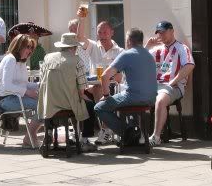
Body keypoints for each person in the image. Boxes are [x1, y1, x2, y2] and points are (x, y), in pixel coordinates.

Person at [37, 33, 97, 152]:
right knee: (90, 105)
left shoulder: (48, 57)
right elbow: (81, 91)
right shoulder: (77, 61)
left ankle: (48, 132)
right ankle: (84, 140)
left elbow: (41, 82)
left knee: (54, 100)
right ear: (73, 48)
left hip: (48, 103)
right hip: (68, 104)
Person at [94, 28, 157, 139]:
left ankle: (126, 133)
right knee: (127, 99)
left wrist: (106, 96)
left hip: (133, 97)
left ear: (128, 41)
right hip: (151, 98)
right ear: (141, 41)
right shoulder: (149, 55)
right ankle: (134, 132)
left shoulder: (126, 55)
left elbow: (104, 76)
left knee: (99, 108)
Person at [76, 9, 124, 145]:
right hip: (96, 87)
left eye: (105, 32)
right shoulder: (93, 46)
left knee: (98, 88)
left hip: (115, 87)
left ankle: (105, 129)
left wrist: (107, 80)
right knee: (90, 89)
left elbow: (120, 77)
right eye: (99, 32)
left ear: (112, 33)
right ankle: (104, 128)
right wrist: (82, 19)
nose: (102, 35)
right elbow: (79, 38)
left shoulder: (120, 51)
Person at [145, 21, 195, 146]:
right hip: (155, 86)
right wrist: (147, 46)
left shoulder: (181, 48)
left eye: (163, 32)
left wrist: (172, 82)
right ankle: (134, 134)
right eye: (159, 33)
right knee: (130, 95)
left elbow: (189, 66)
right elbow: (138, 60)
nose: (161, 35)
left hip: (174, 86)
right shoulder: (156, 50)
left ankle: (156, 137)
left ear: (172, 31)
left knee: (160, 100)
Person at [0, 34, 42, 148]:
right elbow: (6, 85)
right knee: (42, 106)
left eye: (31, 47)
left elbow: (23, 83)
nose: (30, 50)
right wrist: (27, 92)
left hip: (16, 97)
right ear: (18, 46)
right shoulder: (10, 59)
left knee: (44, 103)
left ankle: (30, 136)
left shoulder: (21, 61)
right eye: (27, 46)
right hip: (6, 100)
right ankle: (29, 137)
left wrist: (39, 85)